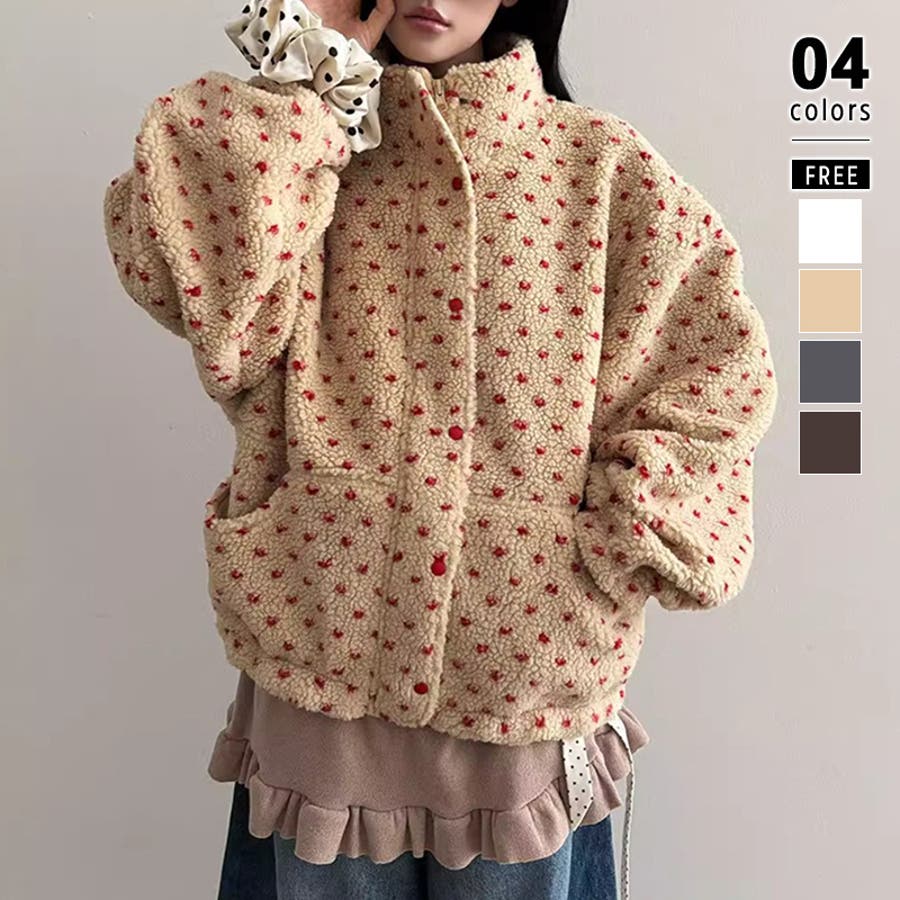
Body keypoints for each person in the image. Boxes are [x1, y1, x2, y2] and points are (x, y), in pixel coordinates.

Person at [101, 1, 779, 898]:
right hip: (319, 676)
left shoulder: (602, 171)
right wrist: (312, 74)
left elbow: (714, 374)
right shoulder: (299, 164)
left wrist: (603, 551)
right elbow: (189, 271)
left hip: (523, 685)